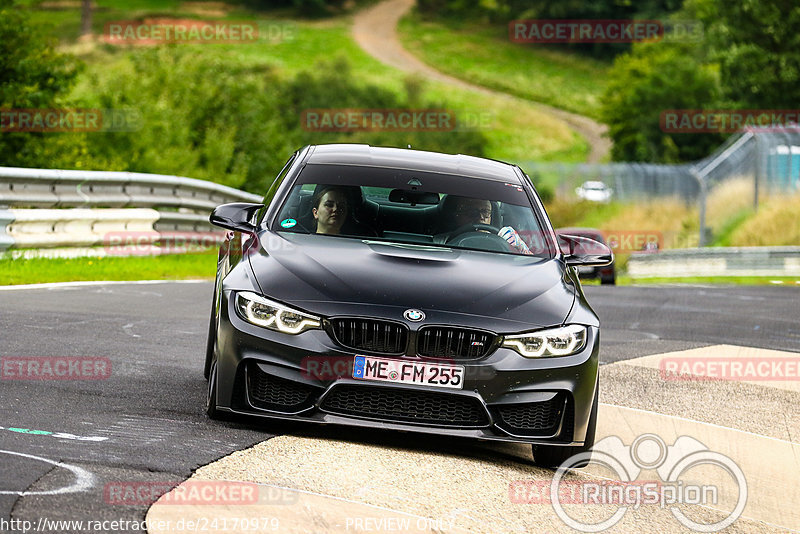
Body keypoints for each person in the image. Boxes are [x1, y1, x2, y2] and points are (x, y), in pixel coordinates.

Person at [443, 195, 533, 255]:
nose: (480, 217)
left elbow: (530, 264)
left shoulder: (506, 238)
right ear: (456, 215)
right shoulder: (438, 242)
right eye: (471, 212)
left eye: (485, 212)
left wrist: (519, 247)